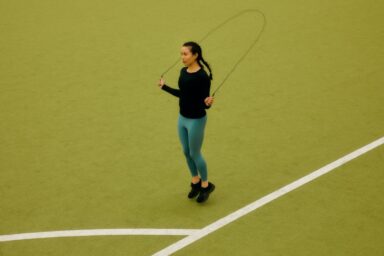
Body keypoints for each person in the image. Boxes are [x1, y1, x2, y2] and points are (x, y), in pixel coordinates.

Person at [158, 41, 215, 203]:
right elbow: (182, 94)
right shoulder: (183, 71)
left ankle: (206, 185)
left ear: (195, 55)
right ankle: (195, 181)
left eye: (185, 54)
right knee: (185, 151)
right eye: (181, 54)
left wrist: (208, 103)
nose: (182, 57)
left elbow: (204, 102)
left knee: (195, 153)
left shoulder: (202, 77)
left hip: (196, 120)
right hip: (182, 118)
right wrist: (164, 87)